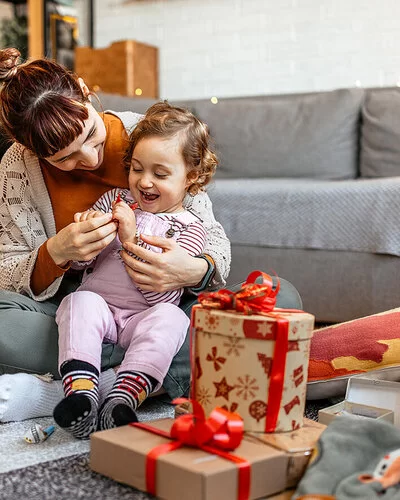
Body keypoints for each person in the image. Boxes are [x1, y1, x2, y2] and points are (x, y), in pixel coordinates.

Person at [0, 48, 230, 421]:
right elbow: (7, 270)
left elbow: (213, 240)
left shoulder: (154, 135)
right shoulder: (17, 167)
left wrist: (193, 270)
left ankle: (78, 382)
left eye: (91, 135)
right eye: (63, 158)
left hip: (160, 308)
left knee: (274, 296)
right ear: (31, 150)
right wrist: (55, 252)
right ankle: (142, 374)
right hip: (77, 308)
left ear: (83, 89)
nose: (89, 160)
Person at [53, 101, 216, 438]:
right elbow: (83, 264)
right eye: (137, 169)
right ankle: (80, 391)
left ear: (192, 176)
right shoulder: (114, 200)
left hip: (144, 316)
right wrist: (83, 240)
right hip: (100, 307)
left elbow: (164, 295)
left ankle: (123, 396)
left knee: (173, 319)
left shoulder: (190, 228)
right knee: (78, 303)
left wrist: (130, 239)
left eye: (160, 174)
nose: (144, 182)